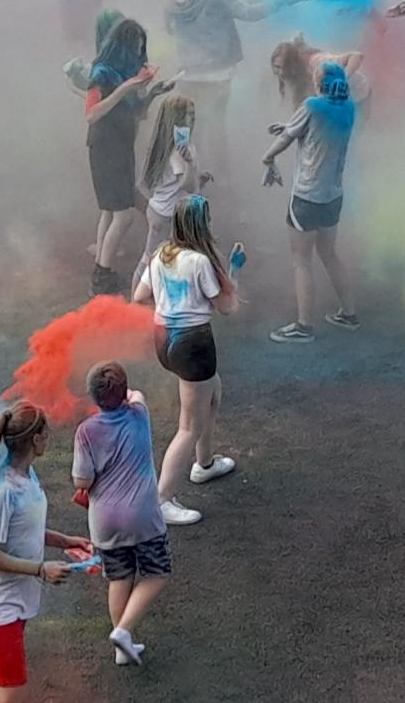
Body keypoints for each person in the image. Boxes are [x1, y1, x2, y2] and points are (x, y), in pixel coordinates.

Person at [0, 401, 92, 703]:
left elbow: (24, 532)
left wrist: (66, 541)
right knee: (14, 693)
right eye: (46, 433)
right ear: (36, 440)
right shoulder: (3, 492)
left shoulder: (27, 477)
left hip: (6, 606)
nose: (50, 438)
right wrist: (40, 569)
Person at [131, 195, 238, 527]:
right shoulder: (199, 261)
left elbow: (139, 297)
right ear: (201, 224)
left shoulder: (161, 255)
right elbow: (227, 307)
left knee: (213, 392)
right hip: (193, 344)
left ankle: (204, 464)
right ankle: (161, 499)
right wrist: (234, 270)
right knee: (188, 425)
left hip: (164, 340)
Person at [72, 362, 170, 667]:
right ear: (124, 392)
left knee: (119, 577)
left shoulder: (86, 432)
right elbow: (138, 395)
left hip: (106, 521)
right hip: (143, 516)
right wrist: (130, 395)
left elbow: (82, 481)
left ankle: (121, 645)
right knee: (156, 574)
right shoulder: (140, 415)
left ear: (93, 397)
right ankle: (124, 631)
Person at [261, 59, 359, 343]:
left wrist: (268, 157)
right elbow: (309, 127)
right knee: (329, 253)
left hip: (306, 197)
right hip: (333, 196)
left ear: (321, 83)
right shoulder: (348, 108)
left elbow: (289, 138)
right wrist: (289, 125)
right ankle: (348, 313)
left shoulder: (311, 105)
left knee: (301, 261)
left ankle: (304, 326)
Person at [163, 0, 273, 186]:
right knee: (216, 124)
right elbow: (247, 13)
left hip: (187, 74)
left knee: (185, 124)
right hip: (217, 75)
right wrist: (280, 3)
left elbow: (169, 29)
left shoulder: (172, 0)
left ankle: (182, 171)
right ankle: (222, 176)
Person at [85, 19, 171, 297]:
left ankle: (102, 270)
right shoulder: (102, 73)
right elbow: (92, 113)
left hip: (122, 147)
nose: (138, 54)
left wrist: (152, 94)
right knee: (123, 216)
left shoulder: (123, 74)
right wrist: (127, 87)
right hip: (106, 149)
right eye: (135, 48)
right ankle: (102, 276)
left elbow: (137, 113)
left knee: (110, 212)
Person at [134, 95, 201, 296]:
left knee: (160, 260)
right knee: (152, 262)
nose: (193, 119)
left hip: (160, 210)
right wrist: (189, 165)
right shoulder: (180, 151)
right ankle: (136, 304)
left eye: (194, 114)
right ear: (177, 119)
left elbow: (172, 182)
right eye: (189, 115)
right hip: (166, 215)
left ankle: (145, 304)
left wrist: (198, 175)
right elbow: (186, 186)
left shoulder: (167, 144)